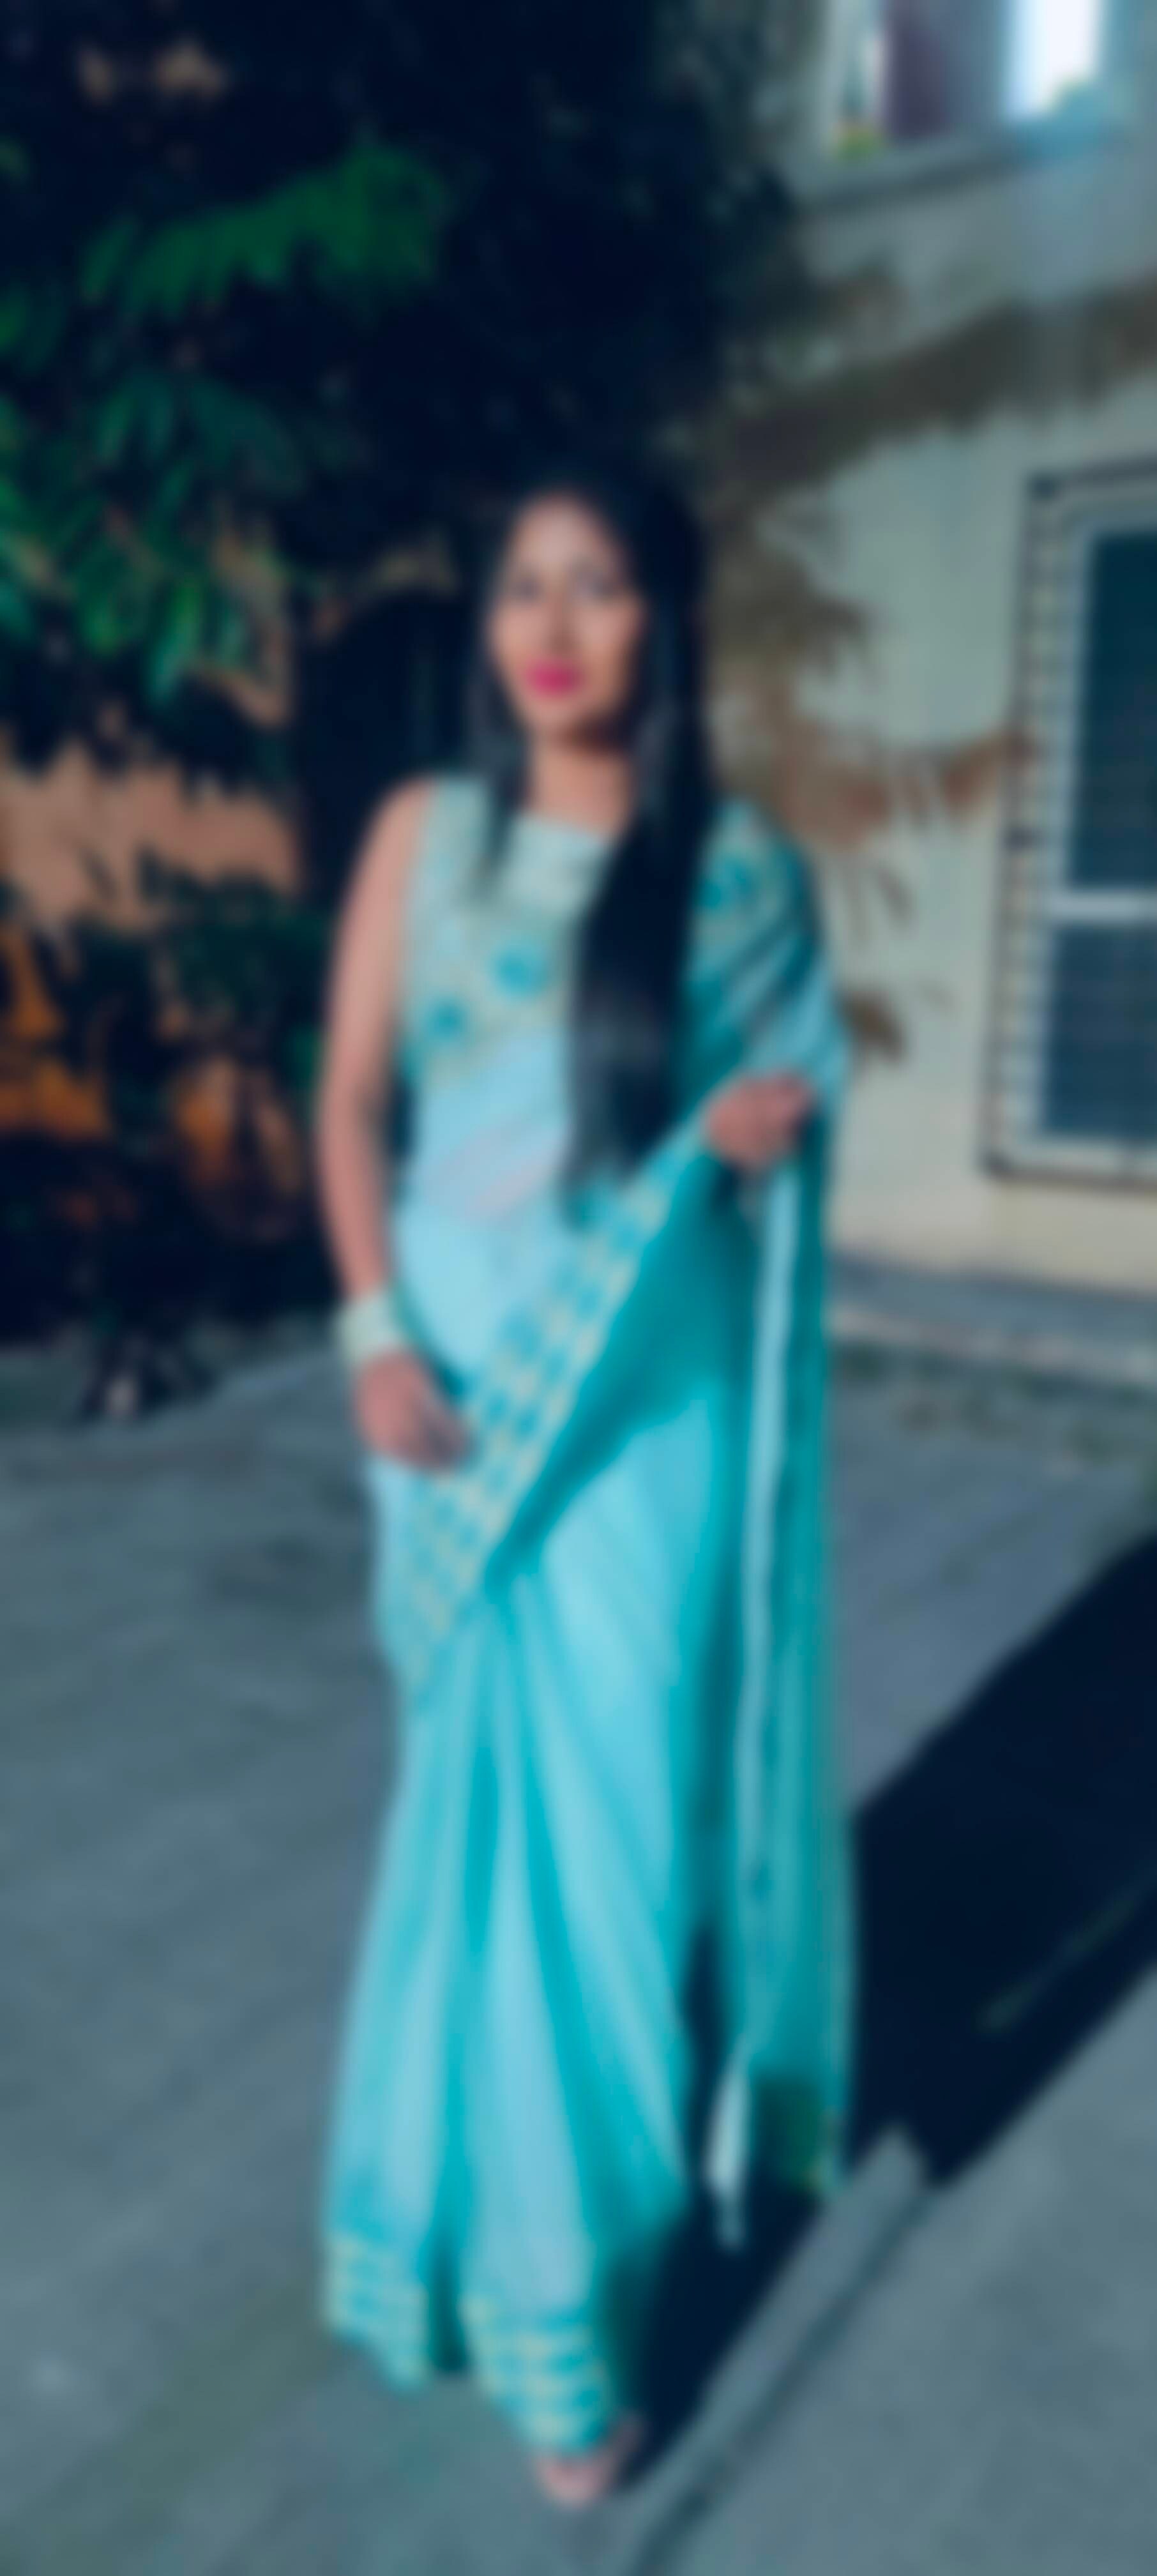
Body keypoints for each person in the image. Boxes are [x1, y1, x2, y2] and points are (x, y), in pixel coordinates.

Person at [313, 456, 858, 2510]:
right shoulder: (426, 834)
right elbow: (349, 1100)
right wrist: (372, 1329)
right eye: (522, 584)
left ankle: (583, 2289)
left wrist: (744, 1137)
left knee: (617, 1862)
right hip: (451, 1413)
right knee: (472, 1850)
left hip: (644, 1426)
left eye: (599, 584)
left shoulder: (740, 877)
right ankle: (516, 2297)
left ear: (666, 621)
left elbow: (780, 1144)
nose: (551, 624)